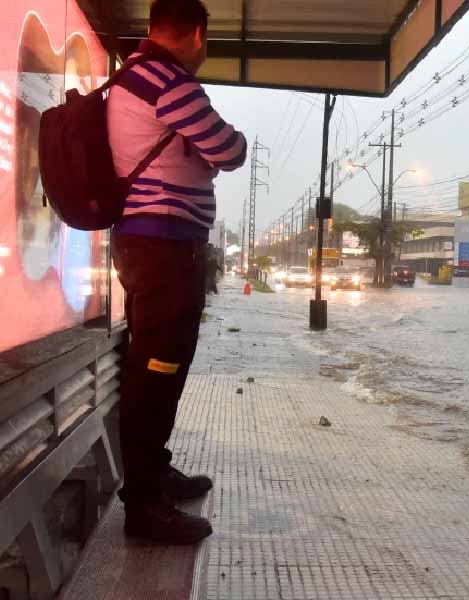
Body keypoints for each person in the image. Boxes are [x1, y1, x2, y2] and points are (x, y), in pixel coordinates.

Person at [108, 0, 246, 544]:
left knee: (156, 368)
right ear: (197, 33)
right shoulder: (169, 82)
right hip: (166, 248)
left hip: (151, 246)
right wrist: (218, 146)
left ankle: (154, 474)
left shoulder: (135, 77)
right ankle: (143, 506)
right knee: (157, 371)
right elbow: (229, 149)